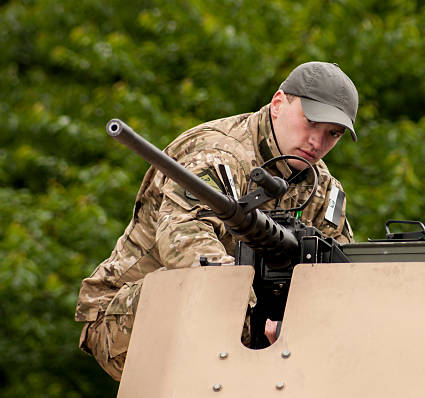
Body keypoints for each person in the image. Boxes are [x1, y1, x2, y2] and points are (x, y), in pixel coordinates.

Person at [75, 61, 359, 380]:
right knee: (211, 288)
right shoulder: (216, 153)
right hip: (127, 317)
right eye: (311, 123)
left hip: (240, 323)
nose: (317, 143)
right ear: (278, 104)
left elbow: (340, 273)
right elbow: (186, 248)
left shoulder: (322, 188)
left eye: (332, 134)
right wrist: (262, 315)